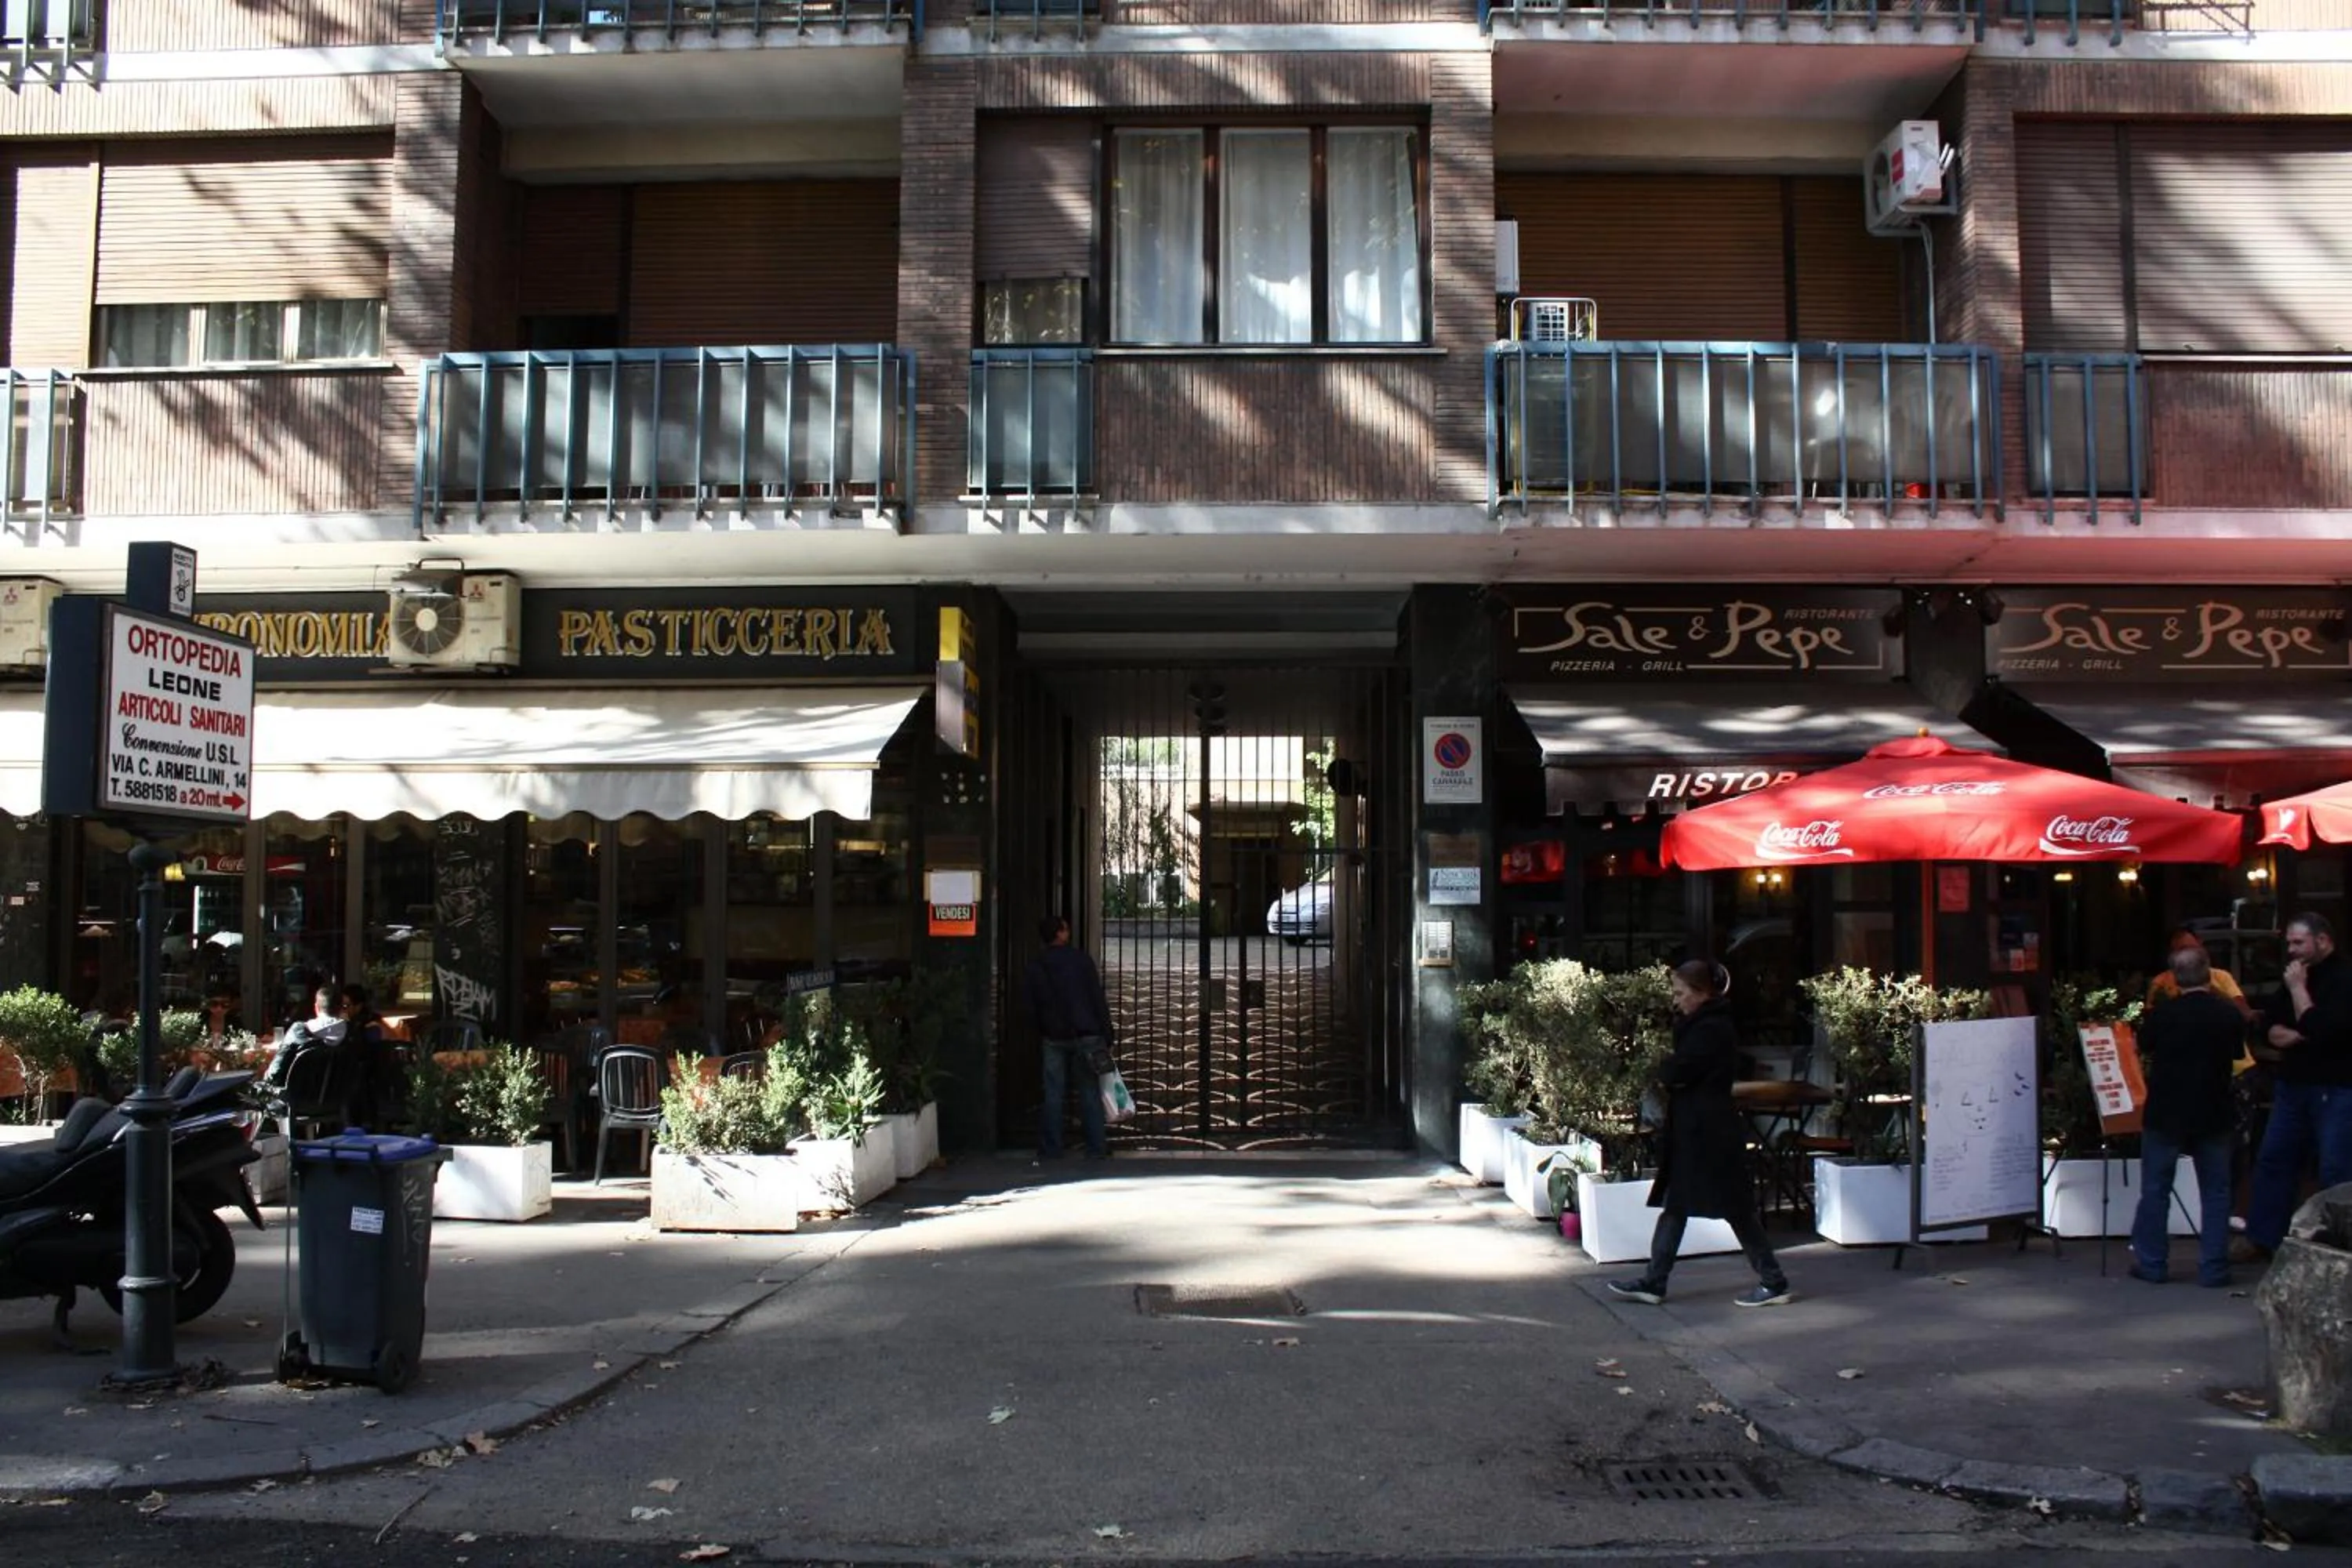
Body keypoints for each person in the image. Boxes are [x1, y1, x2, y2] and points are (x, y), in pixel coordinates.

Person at [1609, 960, 1794, 1308]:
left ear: (1701, 993)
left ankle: (1773, 1280)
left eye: (1680, 993)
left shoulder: (1710, 1029)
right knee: (1681, 1206)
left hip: (1706, 1131)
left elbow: (1681, 1070)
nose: (1676, 1000)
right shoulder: (1707, 1025)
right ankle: (1655, 1281)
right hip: (1701, 1128)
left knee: (1731, 1208)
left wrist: (1663, 1067)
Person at [2238, 912, 2352, 1264]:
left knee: (2335, 1168)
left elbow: (2326, 1030)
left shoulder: (2342, 978)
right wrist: (2303, 1029)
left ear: (2323, 940)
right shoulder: (2290, 979)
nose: (2292, 950)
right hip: (2292, 1084)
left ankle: (2337, 1246)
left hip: (2335, 1086)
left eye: (2298, 942)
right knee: (2274, 1160)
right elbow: (2270, 1029)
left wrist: (2300, 995)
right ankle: (2263, 1237)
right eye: (2289, 943)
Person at [2129, 946, 2243, 1287]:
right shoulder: (2227, 1014)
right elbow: (2237, 1053)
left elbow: (2142, 1046)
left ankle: (2152, 1263)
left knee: (2155, 1188)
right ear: (2208, 971)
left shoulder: (2165, 1014)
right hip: (2213, 1108)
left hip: (2167, 1110)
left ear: (2174, 978)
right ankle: (2214, 1267)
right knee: (2216, 1191)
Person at [1022, 913, 1113, 1162]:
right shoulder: (1080, 961)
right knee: (1089, 1091)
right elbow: (1096, 998)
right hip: (1086, 1033)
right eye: (1065, 929)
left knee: (1053, 1093)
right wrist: (1107, 1033)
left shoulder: (1036, 966)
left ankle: (1051, 1148)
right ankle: (1096, 1147)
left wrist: (1040, 1030)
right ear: (1061, 933)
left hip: (1053, 1036)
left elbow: (1030, 1007)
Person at [2144, 927, 2254, 1020]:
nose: (2191, 955)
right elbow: (2151, 1019)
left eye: (2194, 948)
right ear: (2173, 955)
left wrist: (2213, 993)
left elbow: (2245, 1014)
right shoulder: (2161, 982)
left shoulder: (2222, 976)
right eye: (2184, 950)